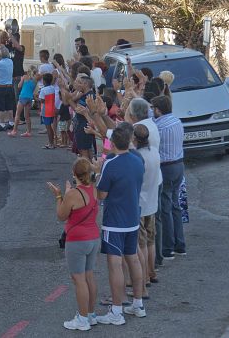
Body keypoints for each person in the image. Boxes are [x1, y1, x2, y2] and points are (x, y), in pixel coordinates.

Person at [91, 123, 146, 324]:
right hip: (132, 218)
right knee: (133, 259)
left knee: (114, 265)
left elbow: (101, 194)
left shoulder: (110, 164)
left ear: (112, 142)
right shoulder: (137, 160)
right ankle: (138, 304)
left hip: (114, 221)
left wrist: (97, 172)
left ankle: (116, 312)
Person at [47, 158, 101, 331]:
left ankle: (82, 319)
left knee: (79, 280)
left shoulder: (73, 194)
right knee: (89, 276)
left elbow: (61, 215)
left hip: (77, 241)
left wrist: (58, 195)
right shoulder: (93, 188)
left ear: (75, 174)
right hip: (93, 237)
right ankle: (91, 314)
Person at [152, 95, 186, 260]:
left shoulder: (158, 126)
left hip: (166, 167)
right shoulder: (177, 121)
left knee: (165, 208)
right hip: (179, 164)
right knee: (175, 205)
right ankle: (180, 244)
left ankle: (168, 248)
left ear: (158, 110)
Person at [133, 123, 162, 291]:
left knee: (141, 244)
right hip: (152, 203)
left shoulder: (138, 157)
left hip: (140, 205)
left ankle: (143, 278)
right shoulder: (155, 153)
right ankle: (151, 273)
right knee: (150, 241)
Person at [0, 46, 15, 131]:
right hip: (9, 86)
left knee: (0, 107)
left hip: (0, 87)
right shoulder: (10, 61)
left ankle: (2, 124)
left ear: (0, 55)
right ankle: (11, 123)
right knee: (9, 106)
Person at [8, 66, 36, 137]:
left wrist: (21, 80)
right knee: (27, 116)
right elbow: (32, 90)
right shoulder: (35, 80)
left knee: (18, 114)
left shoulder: (24, 76)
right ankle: (29, 131)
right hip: (30, 98)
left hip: (23, 96)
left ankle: (14, 131)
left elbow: (19, 86)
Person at [38, 74, 59, 148]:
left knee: (48, 127)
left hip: (46, 109)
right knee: (50, 127)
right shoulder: (52, 88)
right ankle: (52, 142)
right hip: (52, 108)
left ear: (44, 81)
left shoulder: (43, 90)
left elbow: (42, 100)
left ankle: (51, 144)